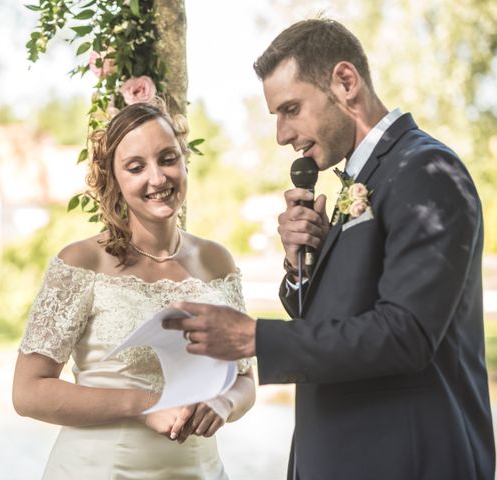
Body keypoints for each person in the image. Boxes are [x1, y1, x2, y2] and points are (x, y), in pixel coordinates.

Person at [163, 18, 495, 480]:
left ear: (345, 82)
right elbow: (338, 318)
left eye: (291, 109)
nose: (281, 135)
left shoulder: (426, 170)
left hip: (403, 460)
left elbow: (406, 334)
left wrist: (253, 338)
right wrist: (301, 267)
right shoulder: (362, 178)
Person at [12, 100, 255, 479]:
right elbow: (27, 392)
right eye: (136, 167)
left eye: (168, 158)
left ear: (184, 161)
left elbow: (244, 379)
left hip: (200, 470)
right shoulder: (81, 262)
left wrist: (223, 404)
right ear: (114, 180)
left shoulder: (217, 261)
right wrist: (145, 404)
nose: (157, 179)